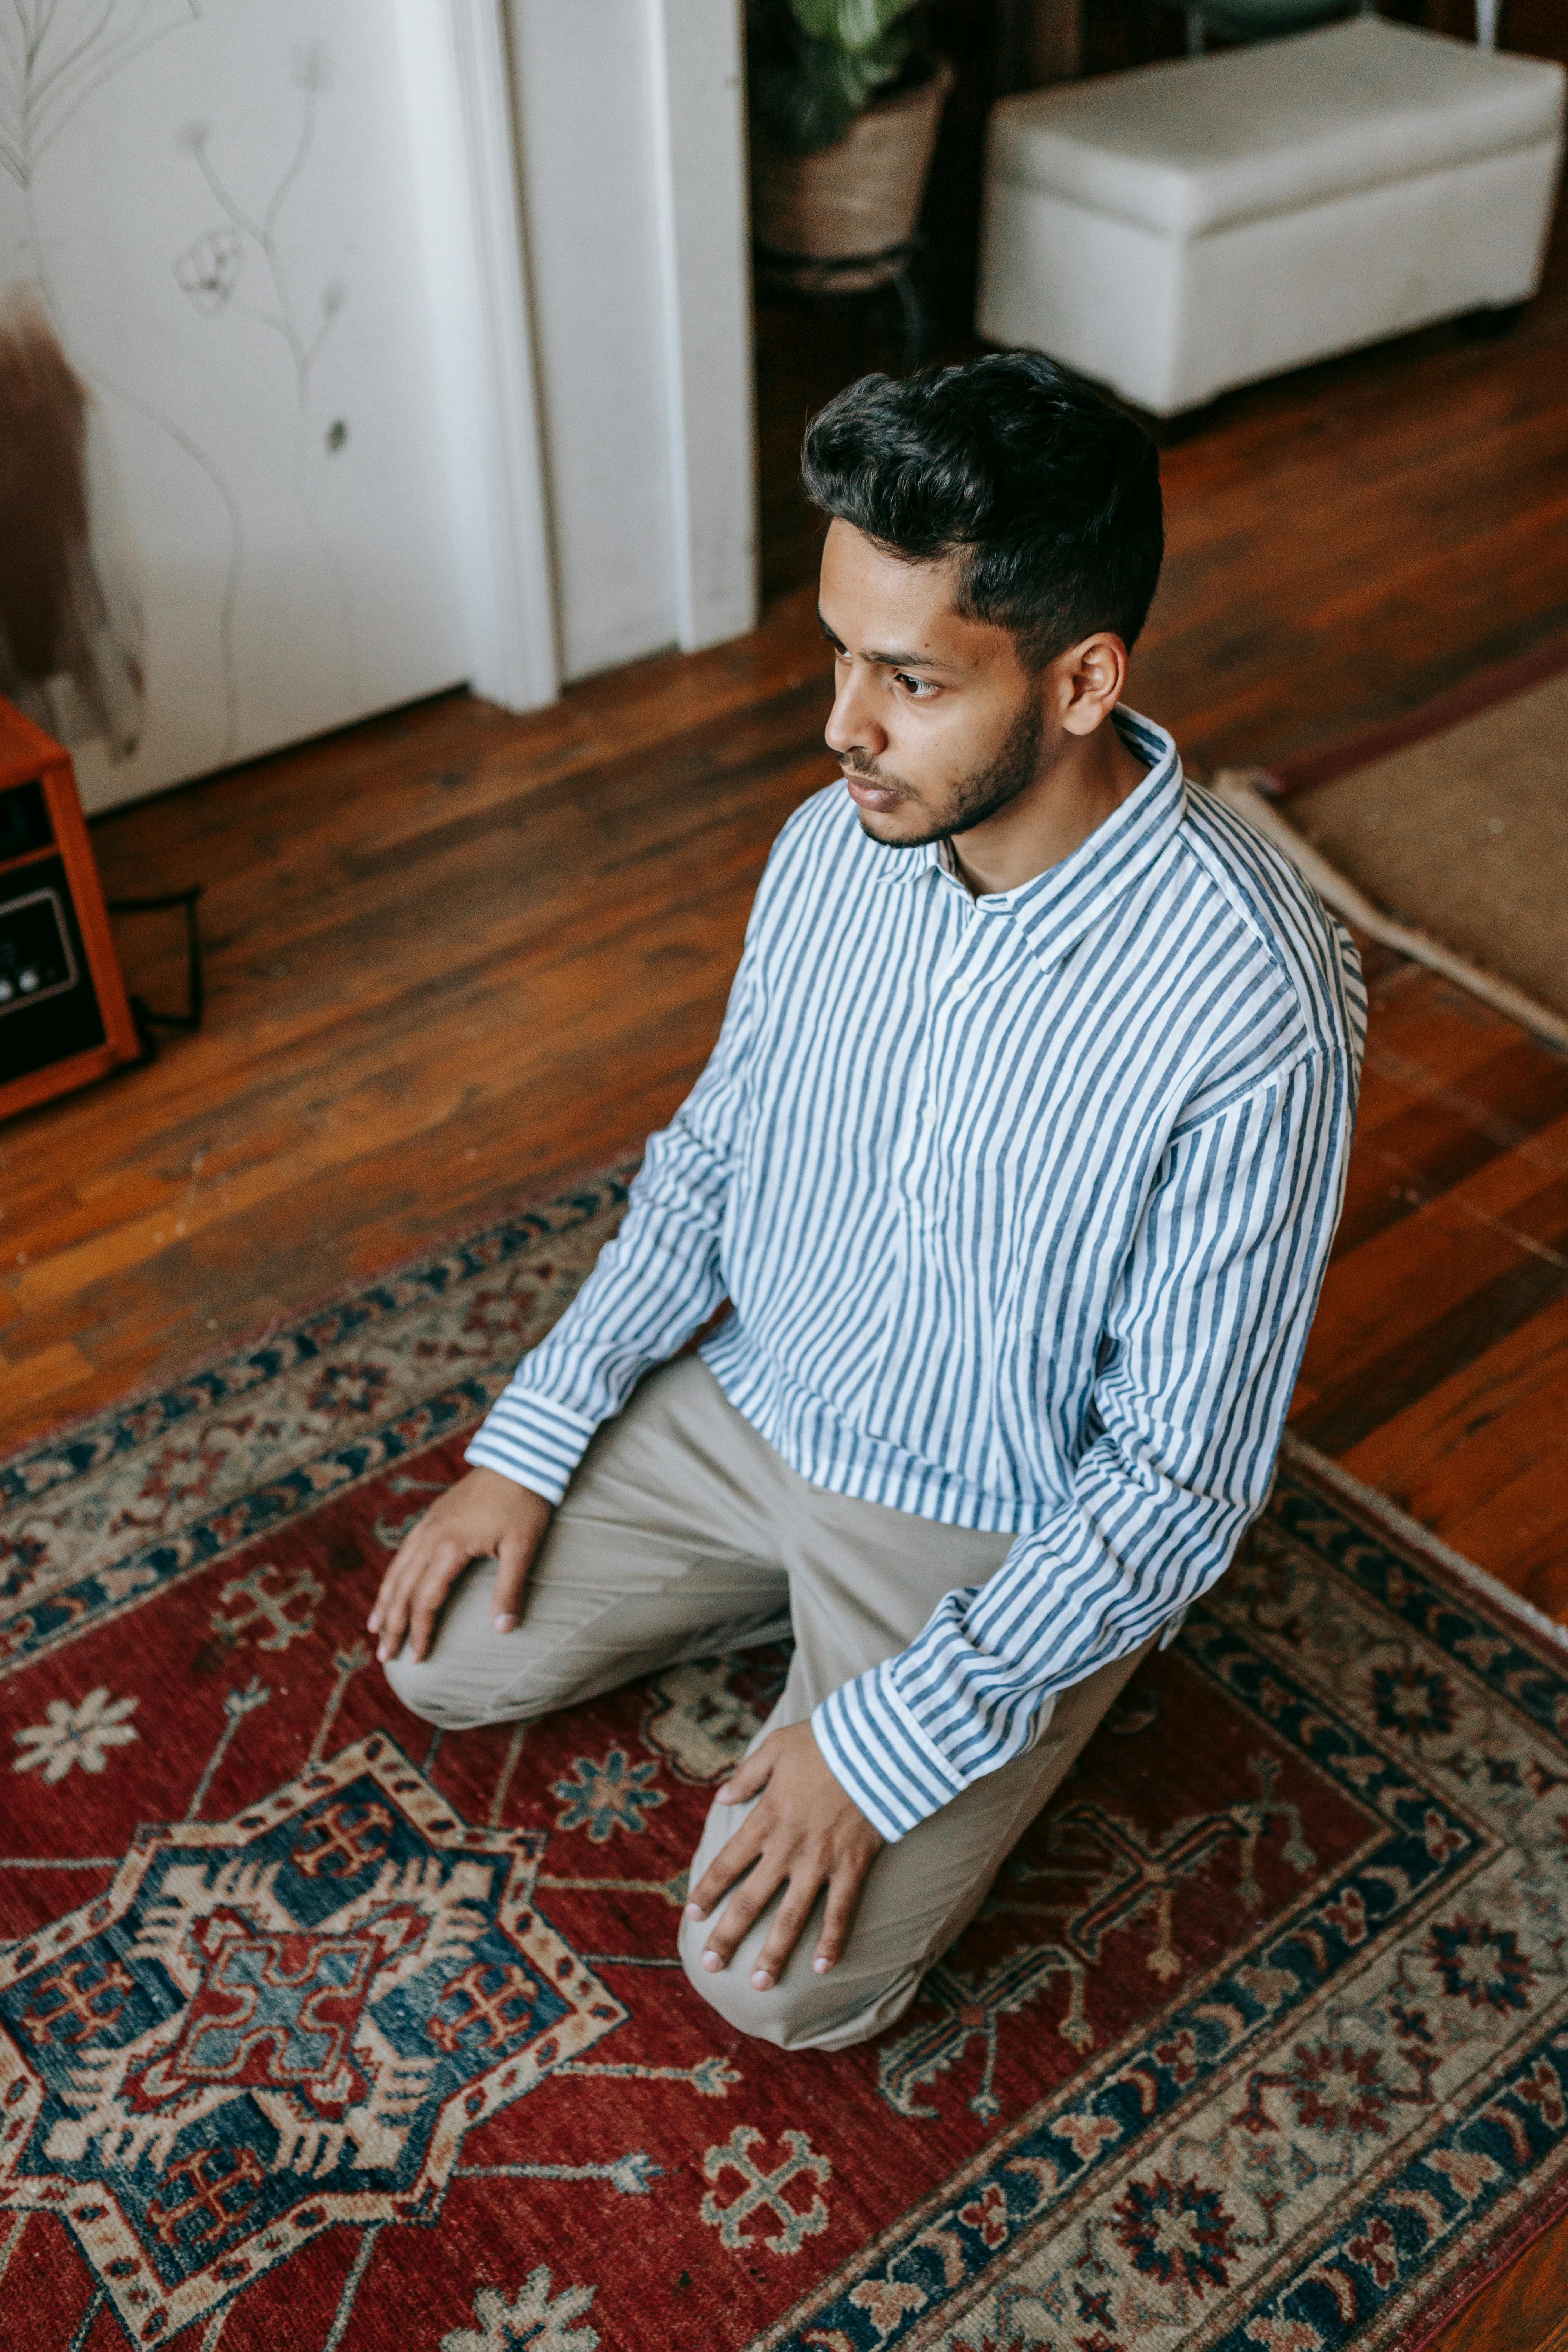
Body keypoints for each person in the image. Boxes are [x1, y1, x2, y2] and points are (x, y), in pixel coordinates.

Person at [370, 352, 1365, 2052]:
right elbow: (706, 1164)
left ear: (1080, 679)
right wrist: (528, 1443)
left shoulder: (1255, 1000)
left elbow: (1183, 1479)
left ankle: (1039, 1680)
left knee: (773, 1982)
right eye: (839, 655)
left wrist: (889, 1735)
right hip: (760, 1402)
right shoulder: (837, 842)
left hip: (990, 1510)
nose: (842, 726)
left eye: (908, 678)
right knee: (439, 1653)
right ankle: (780, 1603)